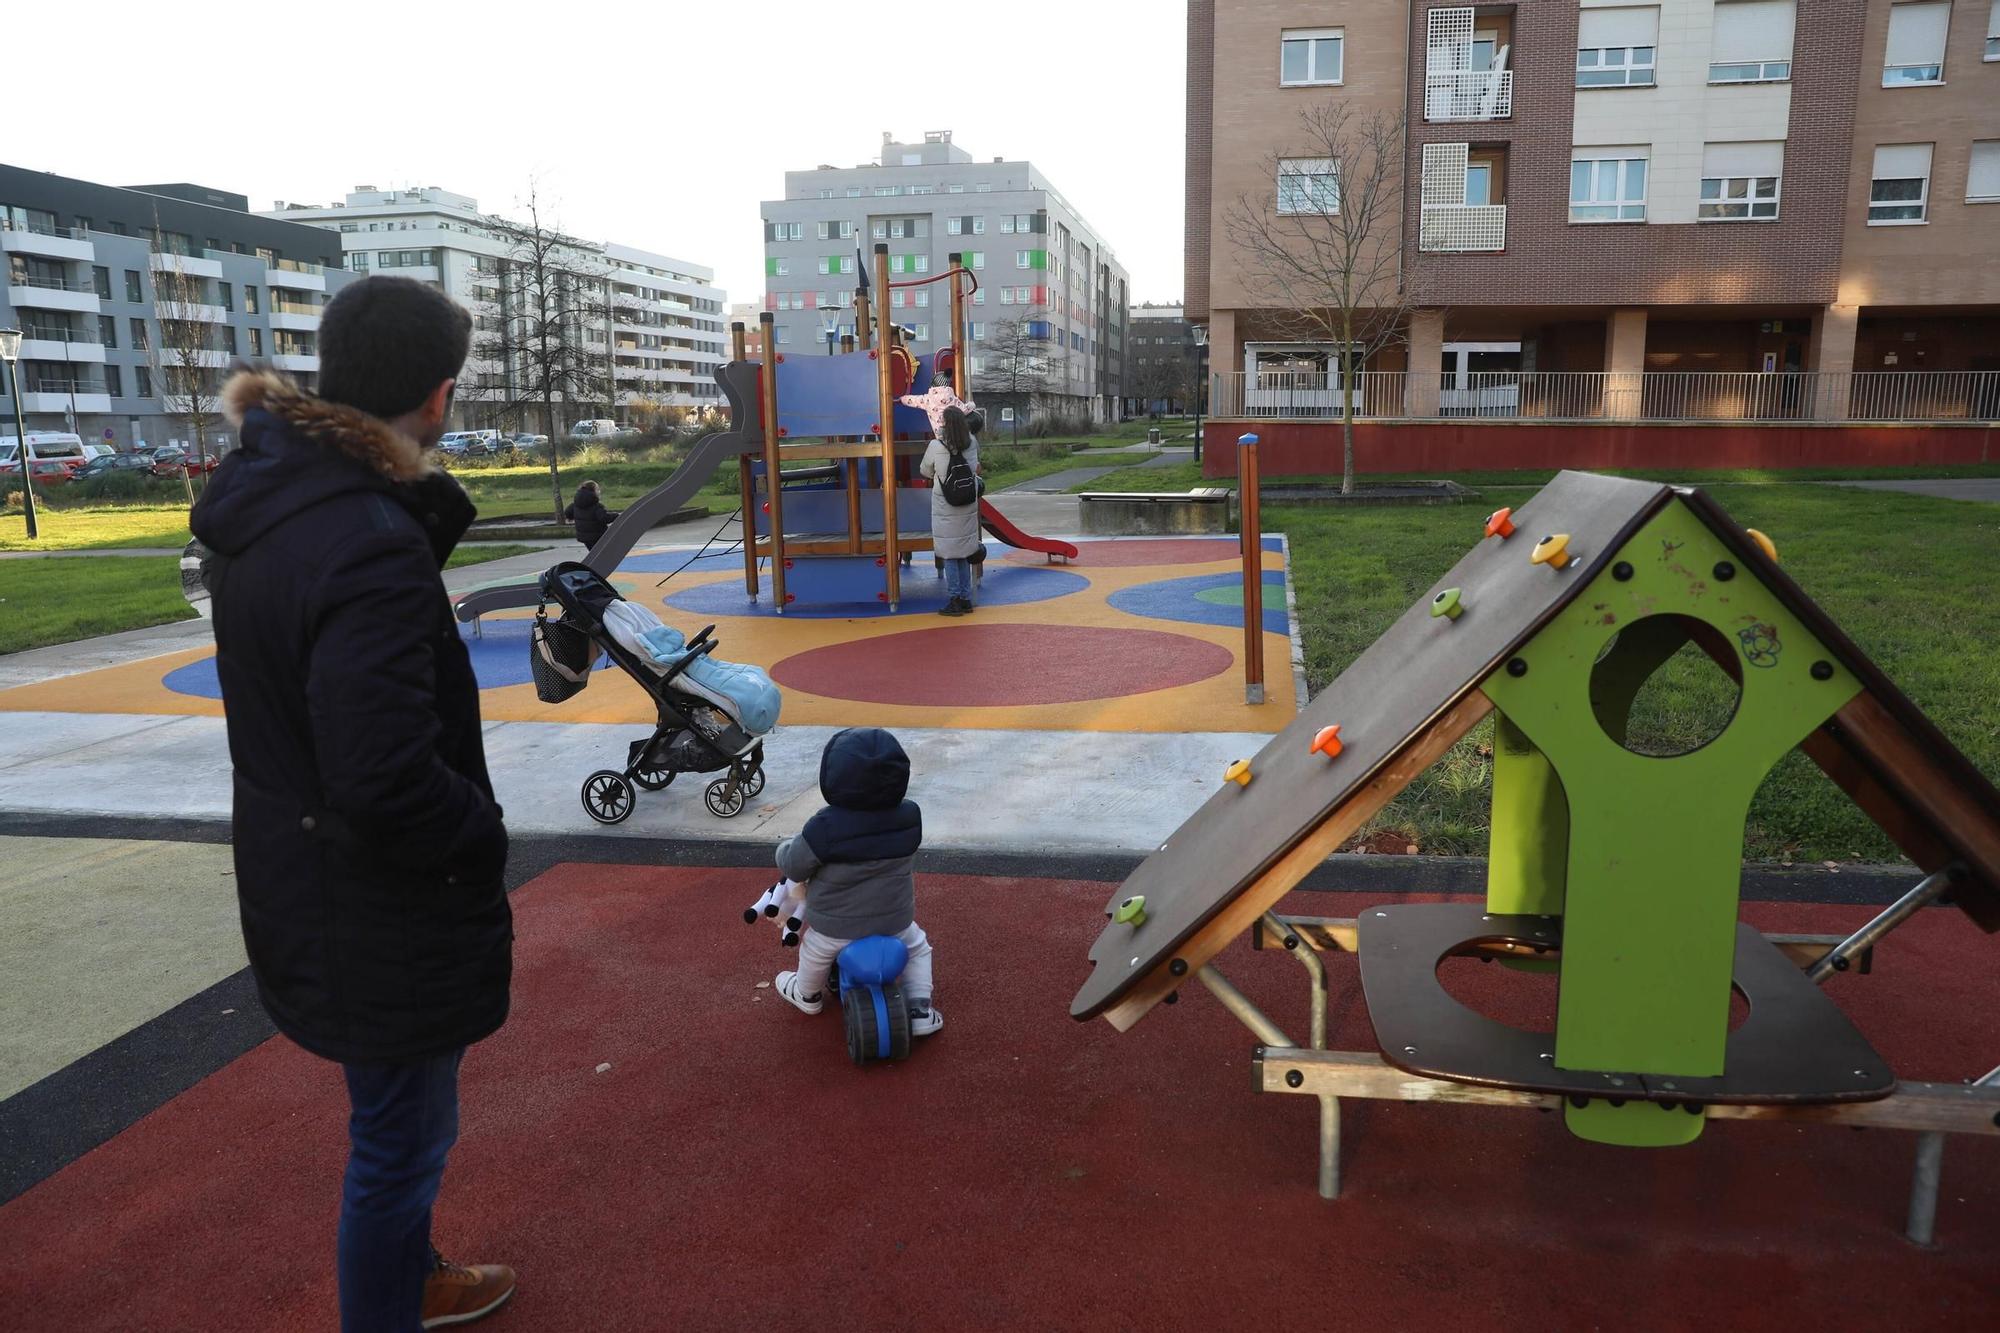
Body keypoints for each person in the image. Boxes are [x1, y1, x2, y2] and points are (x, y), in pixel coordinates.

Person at [190, 276, 516, 1332]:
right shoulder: (364, 533)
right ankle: (390, 1300)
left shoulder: (277, 500)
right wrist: (478, 833)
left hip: (311, 867)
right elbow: (382, 773)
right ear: (437, 395)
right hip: (374, 892)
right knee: (399, 1137)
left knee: (392, 1118)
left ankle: (412, 1271)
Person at [773, 728, 941, 1036]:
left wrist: (785, 847)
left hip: (835, 926)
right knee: (918, 948)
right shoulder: (910, 818)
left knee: (814, 949)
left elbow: (794, 865)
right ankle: (920, 1008)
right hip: (895, 921)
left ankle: (807, 993)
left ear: (832, 779)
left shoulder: (824, 827)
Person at [920, 404, 982, 617]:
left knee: (949, 554)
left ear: (945, 424)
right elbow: (975, 467)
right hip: (967, 501)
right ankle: (966, 599)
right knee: (964, 552)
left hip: (946, 504)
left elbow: (925, 470)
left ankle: (954, 599)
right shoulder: (972, 442)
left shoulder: (936, 445)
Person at [564, 479, 616, 551]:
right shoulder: (596, 506)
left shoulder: (575, 504)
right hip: (598, 536)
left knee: (593, 554)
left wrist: (572, 517)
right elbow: (604, 518)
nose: (599, 492)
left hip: (584, 537)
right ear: (592, 491)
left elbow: (567, 513)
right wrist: (616, 515)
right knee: (605, 554)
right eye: (597, 489)